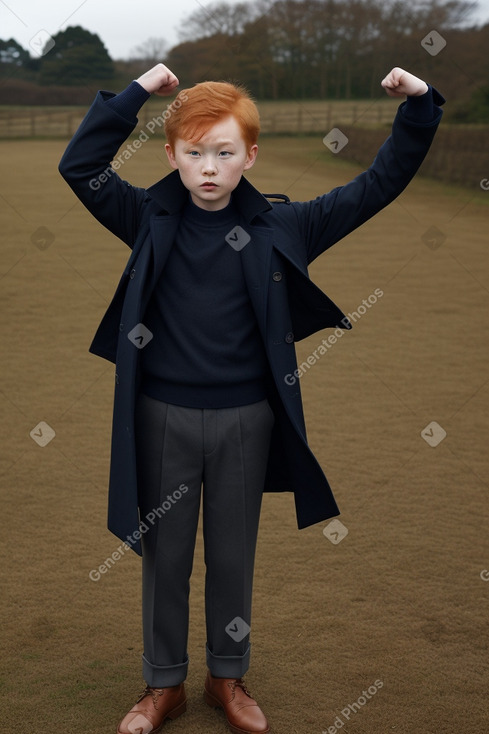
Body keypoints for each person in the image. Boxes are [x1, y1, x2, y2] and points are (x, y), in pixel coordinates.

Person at [59, 63, 444, 734]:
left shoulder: (286, 226)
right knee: (165, 560)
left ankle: (227, 678)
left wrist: (416, 105)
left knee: (233, 556)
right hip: (159, 418)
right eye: (195, 152)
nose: (209, 167)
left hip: (247, 421)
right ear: (173, 154)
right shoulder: (144, 216)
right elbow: (81, 164)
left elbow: (377, 185)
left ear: (250, 155)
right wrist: (140, 93)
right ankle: (162, 686)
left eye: (225, 152)